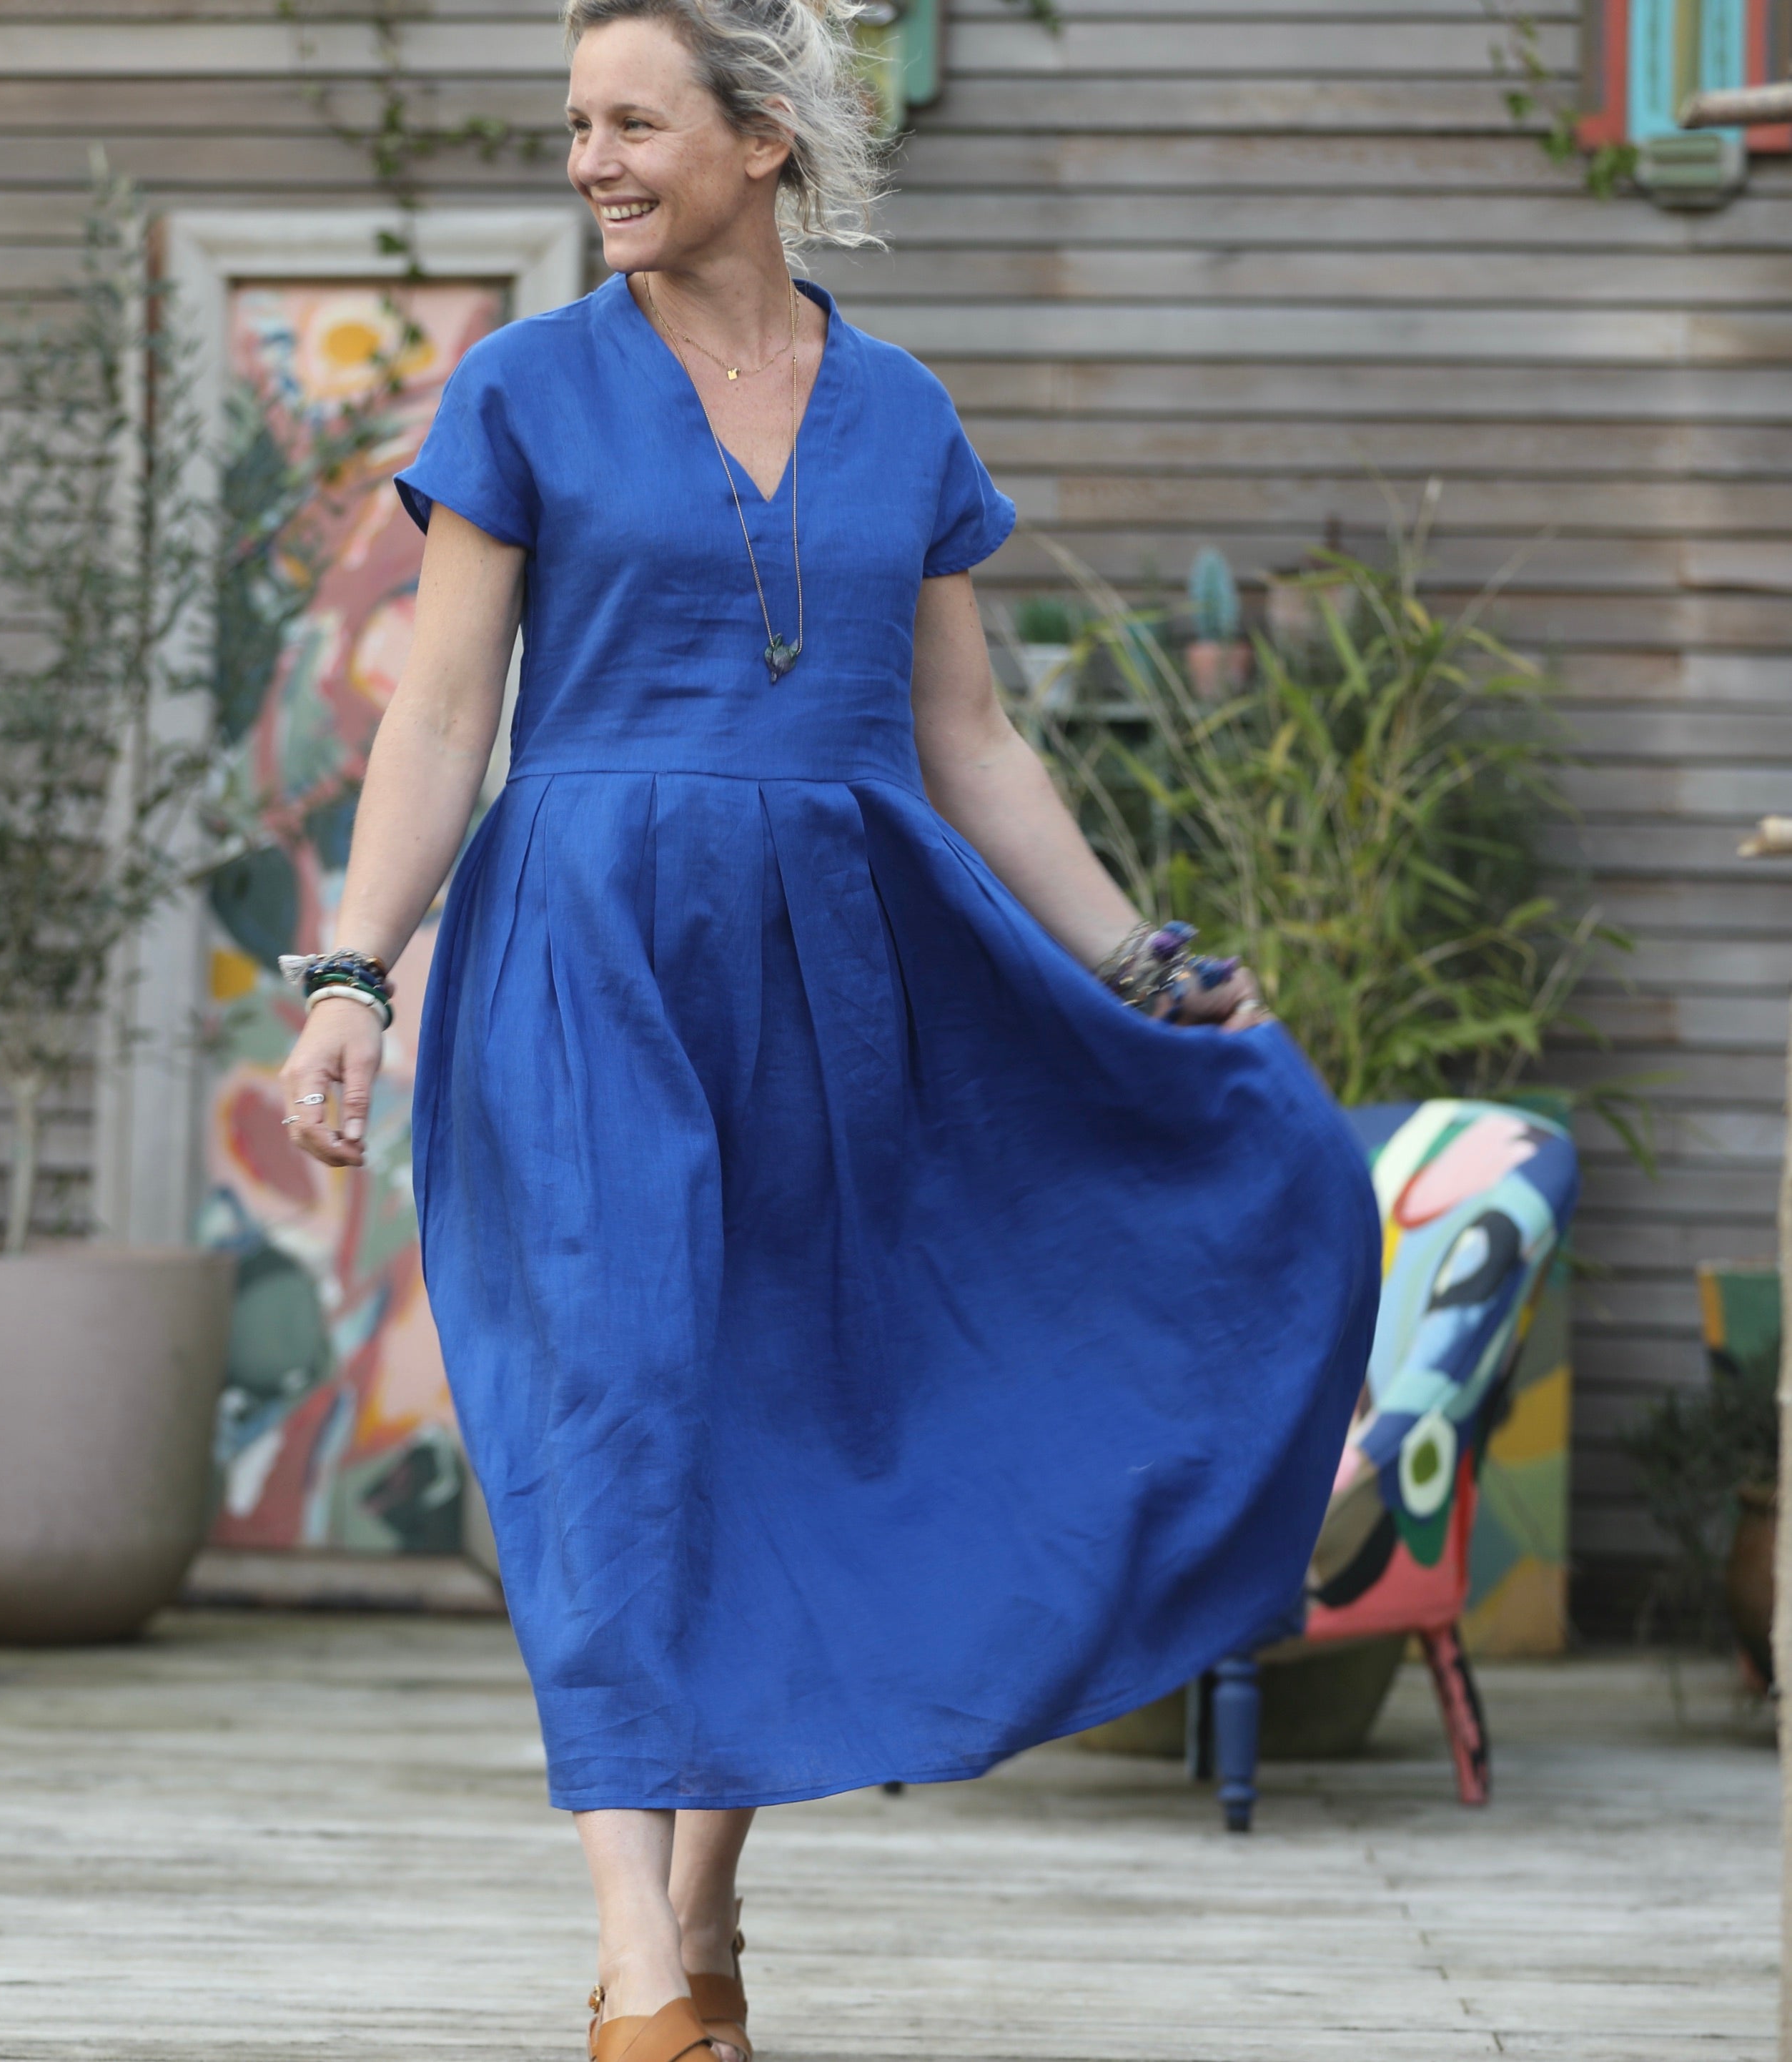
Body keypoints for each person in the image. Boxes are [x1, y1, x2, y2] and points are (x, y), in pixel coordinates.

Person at [279, 2, 1380, 2057]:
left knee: (782, 1415)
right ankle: (637, 1964)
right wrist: (355, 970)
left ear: (764, 138)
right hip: (585, 954)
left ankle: (705, 1911)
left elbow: (970, 738)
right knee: (616, 1405)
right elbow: (437, 718)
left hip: (847, 958)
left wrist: (1140, 966)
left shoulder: (901, 412)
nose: (593, 162)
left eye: (634, 122)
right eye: (575, 125)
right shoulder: (524, 389)